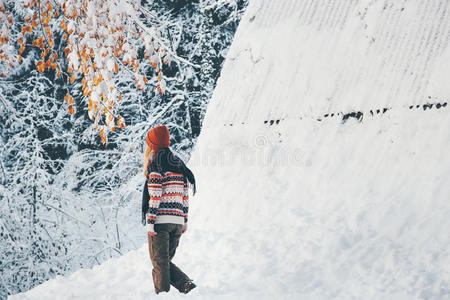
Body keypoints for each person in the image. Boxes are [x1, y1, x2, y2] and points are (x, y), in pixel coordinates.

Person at [141, 125, 197, 294]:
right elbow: (184, 196)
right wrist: (184, 221)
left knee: (159, 262)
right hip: (177, 222)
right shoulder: (178, 164)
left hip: (161, 222)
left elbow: (156, 195)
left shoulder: (156, 164)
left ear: (153, 145)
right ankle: (187, 286)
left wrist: (150, 223)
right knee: (163, 262)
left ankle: (163, 295)